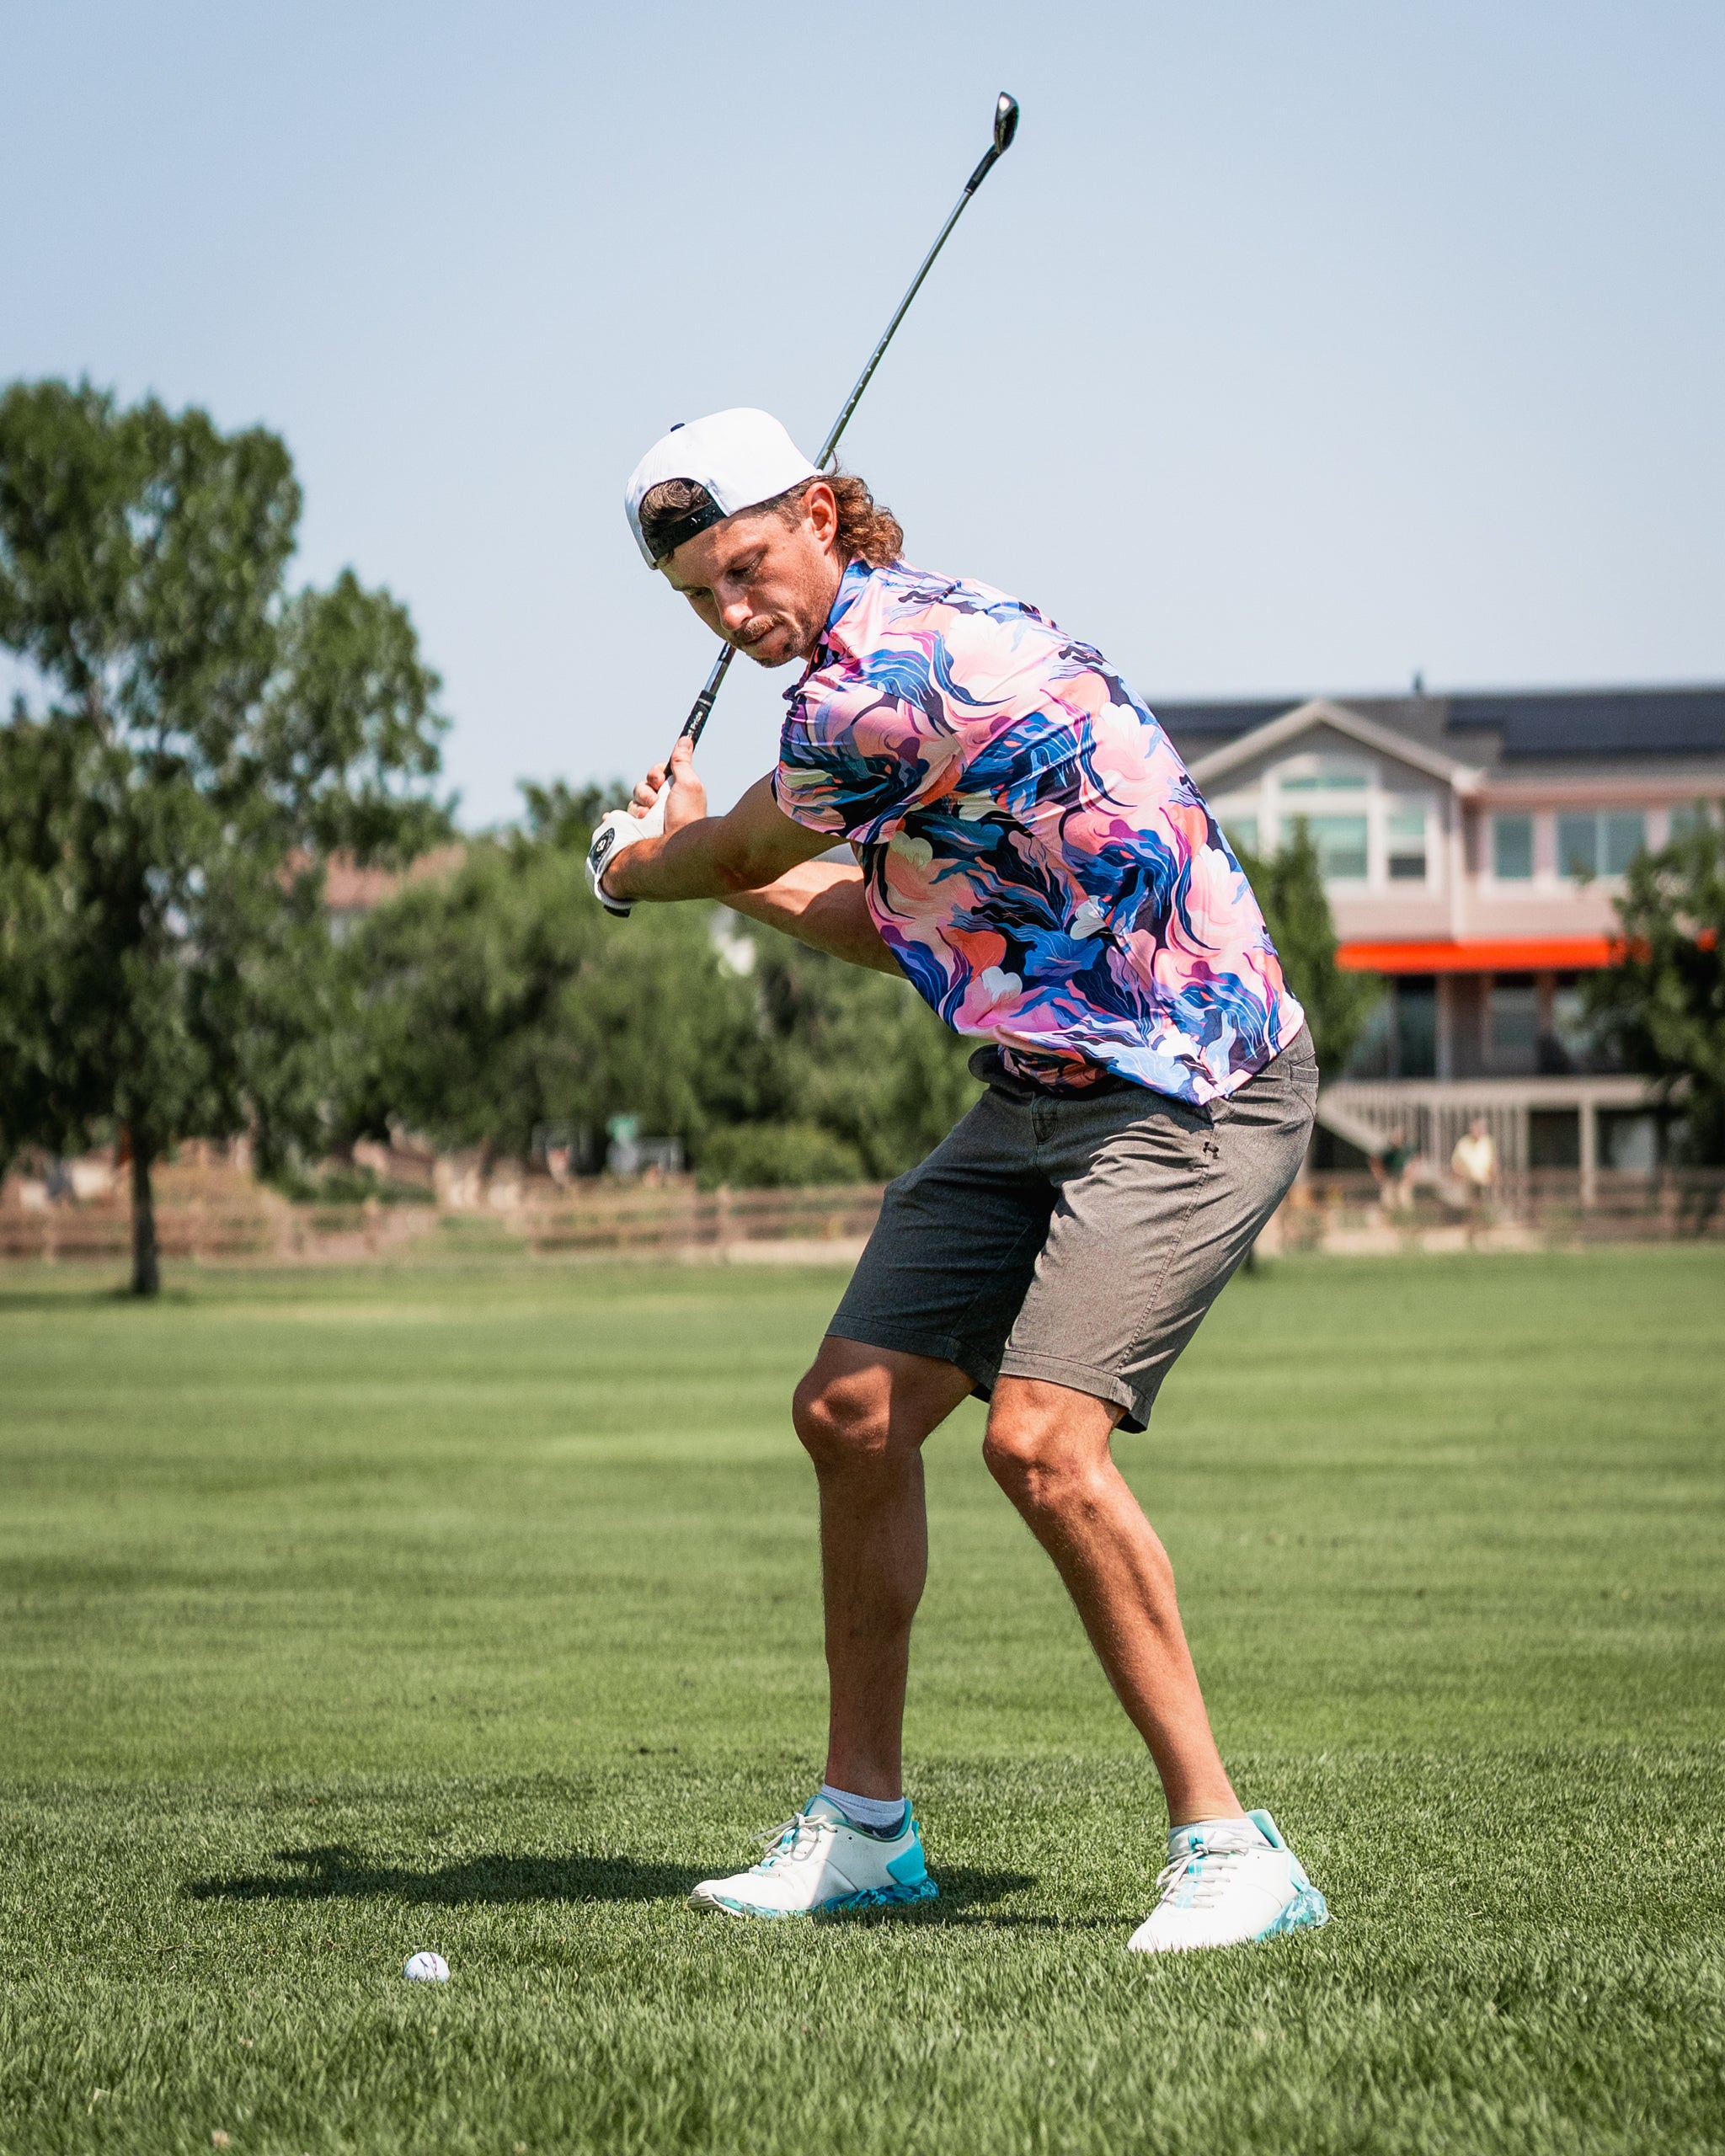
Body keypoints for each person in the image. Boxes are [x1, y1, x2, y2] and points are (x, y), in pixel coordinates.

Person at [586, 408, 1327, 1954]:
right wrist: (707, 854)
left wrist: (638, 862)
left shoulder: (888, 684)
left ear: (825, 512)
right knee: (851, 1414)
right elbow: (888, 917)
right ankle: (865, 1832)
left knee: (1043, 1448)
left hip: (1193, 1082)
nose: (737, 614)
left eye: (745, 567)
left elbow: (725, 861)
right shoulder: (895, 671)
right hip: (1039, 1089)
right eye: (703, 601)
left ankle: (1233, 1848)